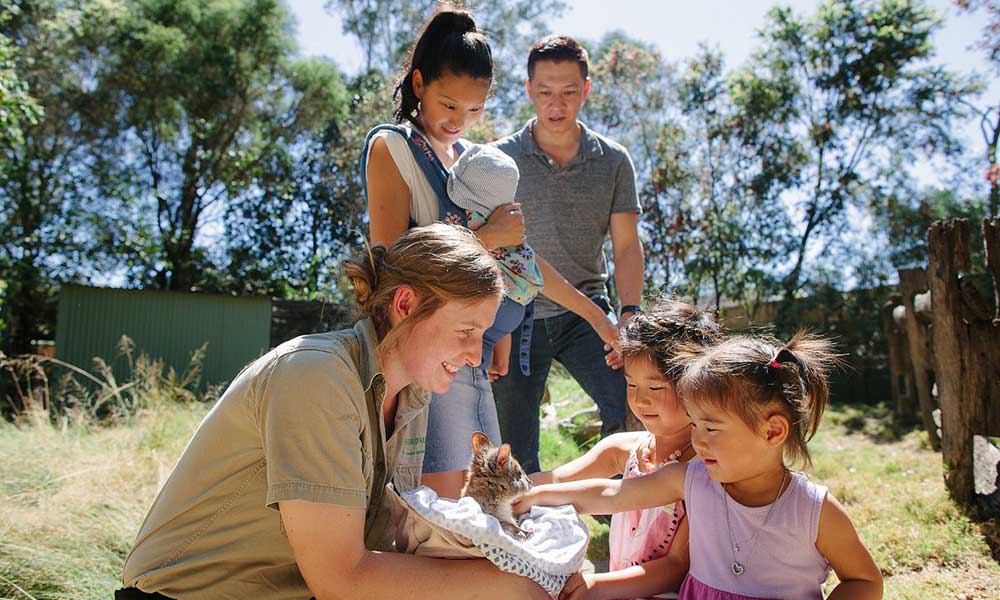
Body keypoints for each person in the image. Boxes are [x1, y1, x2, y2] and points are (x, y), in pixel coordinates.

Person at [117, 224, 548, 600]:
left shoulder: (411, 397)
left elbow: (391, 538)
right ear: (405, 306)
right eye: (466, 331)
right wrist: (511, 584)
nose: (476, 355)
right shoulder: (316, 376)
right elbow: (343, 579)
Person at [363, 7, 616, 498]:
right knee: (442, 503)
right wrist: (487, 239)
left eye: (474, 110)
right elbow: (392, 269)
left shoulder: (476, 164)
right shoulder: (393, 149)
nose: (460, 121)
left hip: (471, 356)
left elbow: (520, 263)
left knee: (483, 498)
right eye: (448, 104)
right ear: (418, 84)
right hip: (423, 358)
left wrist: (593, 317)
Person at [516, 332, 884, 600]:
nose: (698, 440)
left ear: (772, 431)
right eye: (695, 424)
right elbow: (613, 493)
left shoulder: (814, 510)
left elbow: (865, 581)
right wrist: (535, 495)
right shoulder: (692, 480)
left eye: (711, 427)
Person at [493, 35, 645, 473]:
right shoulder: (500, 160)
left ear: (587, 89)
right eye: (544, 92)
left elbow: (626, 244)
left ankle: (612, 514)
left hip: (587, 312)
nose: (556, 104)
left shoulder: (614, 161)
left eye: (568, 92)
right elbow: (506, 254)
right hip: (515, 317)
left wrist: (629, 313)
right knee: (516, 450)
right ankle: (528, 533)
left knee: (629, 404)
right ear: (528, 90)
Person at [532, 301, 723, 600]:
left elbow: (675, 566)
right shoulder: (623, 448)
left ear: (696, 386)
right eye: (631, 385)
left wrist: (597, 586)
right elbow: (556, 479)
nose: (640, 400)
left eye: (655, 388)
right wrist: (504, 494)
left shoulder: (705, 470)